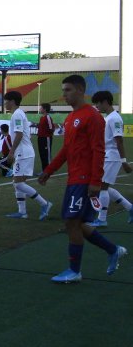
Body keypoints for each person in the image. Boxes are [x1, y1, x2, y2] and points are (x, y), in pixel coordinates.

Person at [38, 75, 127, 283]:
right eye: (63, 90)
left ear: (79, 90)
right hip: (74, 177)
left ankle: (75, 270)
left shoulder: (92, 116)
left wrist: (96, 180)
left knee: (71, 221)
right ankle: (112, 250)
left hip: (85, 178)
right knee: (74, 222)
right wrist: (49, 170)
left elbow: (99, 149)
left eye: (68, 90)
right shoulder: (71, 118)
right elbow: (67, 150)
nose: (64, 94)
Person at [2, 91, 52, 220]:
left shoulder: (17, 115)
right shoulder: (18, 114)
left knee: (18, 183)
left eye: (6, 100)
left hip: (24, 153)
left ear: (12, 101)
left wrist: (11, 152)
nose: (5, 103)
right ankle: (22, 212)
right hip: (23, 153)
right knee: (17, 183)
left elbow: (18, 134)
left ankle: (44, 204)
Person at [91, 91, 133, 227]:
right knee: (104, 186)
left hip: (112, 156)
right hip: (107, 156)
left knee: (102, 187)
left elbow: (119, 140)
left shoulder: (114, 118)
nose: (96, 105)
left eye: (97, 102)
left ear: (105, 102)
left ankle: (102, 219)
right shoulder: (109, 117)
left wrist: (124, 162)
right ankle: (130, 208)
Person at [37, 102, 54, 171]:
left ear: (45, 109)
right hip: (40, 138)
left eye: (41, 108)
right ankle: (44, 170)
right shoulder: (42, 118)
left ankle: (49, 170)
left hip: (46, 138)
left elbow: (51, 128)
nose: (40, 109)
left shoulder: (48, 117)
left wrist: (47, 135)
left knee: (47, 155)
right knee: (42, 154)